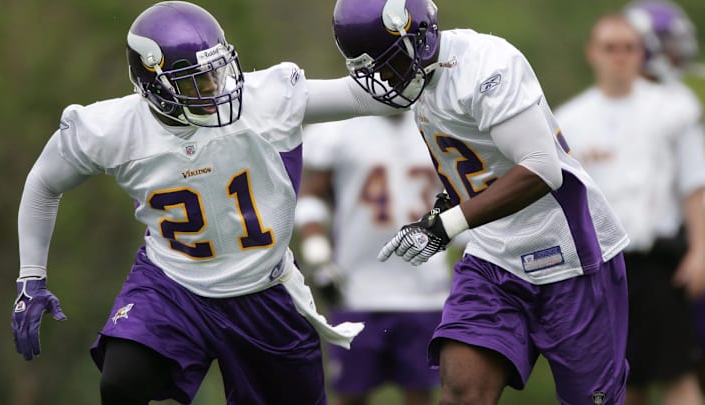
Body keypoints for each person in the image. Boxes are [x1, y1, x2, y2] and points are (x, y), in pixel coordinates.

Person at [10, 1, 407, 404]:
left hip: (263, 289)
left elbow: (370, 97)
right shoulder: (109, 130)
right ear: (153, 86)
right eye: (194, 82)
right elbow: (44, 183)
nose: (215, 89)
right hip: (173, 284)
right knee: (122, 382)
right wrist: (31, 277)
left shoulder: (266, 98)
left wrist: (422, 54)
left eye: (216, 72)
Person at [331, 0, 631, 404]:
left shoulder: (486, 65)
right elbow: (476, 170)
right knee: (462, 391)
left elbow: (542, 169)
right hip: (495, 257)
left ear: (418, 37)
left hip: (572, 254)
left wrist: (447, 225)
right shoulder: (414, 77)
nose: (384, 78)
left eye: (388, 63)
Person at [555, 13, 705, 405]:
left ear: (641, 53)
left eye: (628, 47)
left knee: (679, 374)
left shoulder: (673, 109)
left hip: (659, 262)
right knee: (620, 381)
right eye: (610, 48)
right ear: (593, 53)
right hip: (601, 268)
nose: (619, 56)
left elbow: (695, 185)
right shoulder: (570, 119)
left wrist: (701, 250)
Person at [295, 111, 452, 405]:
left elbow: (459, 197)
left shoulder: (439, 120)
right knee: (351, 395)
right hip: (357, 287)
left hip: (426, 288)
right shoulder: (337, 128)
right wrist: (317, 250)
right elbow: (311, 195)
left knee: (422, 395)